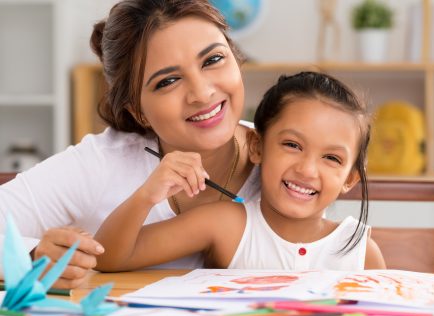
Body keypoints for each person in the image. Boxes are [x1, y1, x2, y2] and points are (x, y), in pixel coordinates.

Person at [95, 72, 434, 275]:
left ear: (351, 178)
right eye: (292, 145)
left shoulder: (360, 250)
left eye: (332, 159)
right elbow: (111, 259)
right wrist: (148, 194)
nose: (307, 169)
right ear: (256, 147)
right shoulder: (225, 224)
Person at [0, 0, 260, 288]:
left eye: (213, 60)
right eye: (168, 81)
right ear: (137, 110)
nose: (201, 93)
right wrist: (30, 257)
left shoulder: (292, 154)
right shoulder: (100, 163)